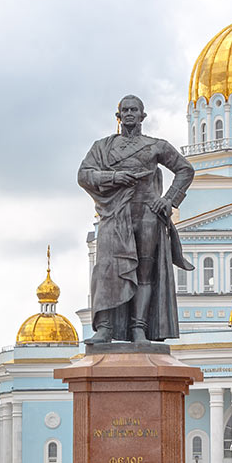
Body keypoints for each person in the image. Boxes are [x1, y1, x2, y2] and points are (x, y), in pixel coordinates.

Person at [78, 95, 194, 344]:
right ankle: (106, 329)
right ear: (118, 116)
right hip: (115, 214)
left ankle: (139, 328)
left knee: (145, 272)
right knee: (107, 269)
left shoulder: (156, 146)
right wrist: (114, 177)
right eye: (125, 110)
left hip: (147, 214)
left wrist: (169, 200)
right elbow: (84, 174)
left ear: (143, 116)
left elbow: (185, 169)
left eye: (134, 110)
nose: (129, 113)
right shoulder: (103, 147)